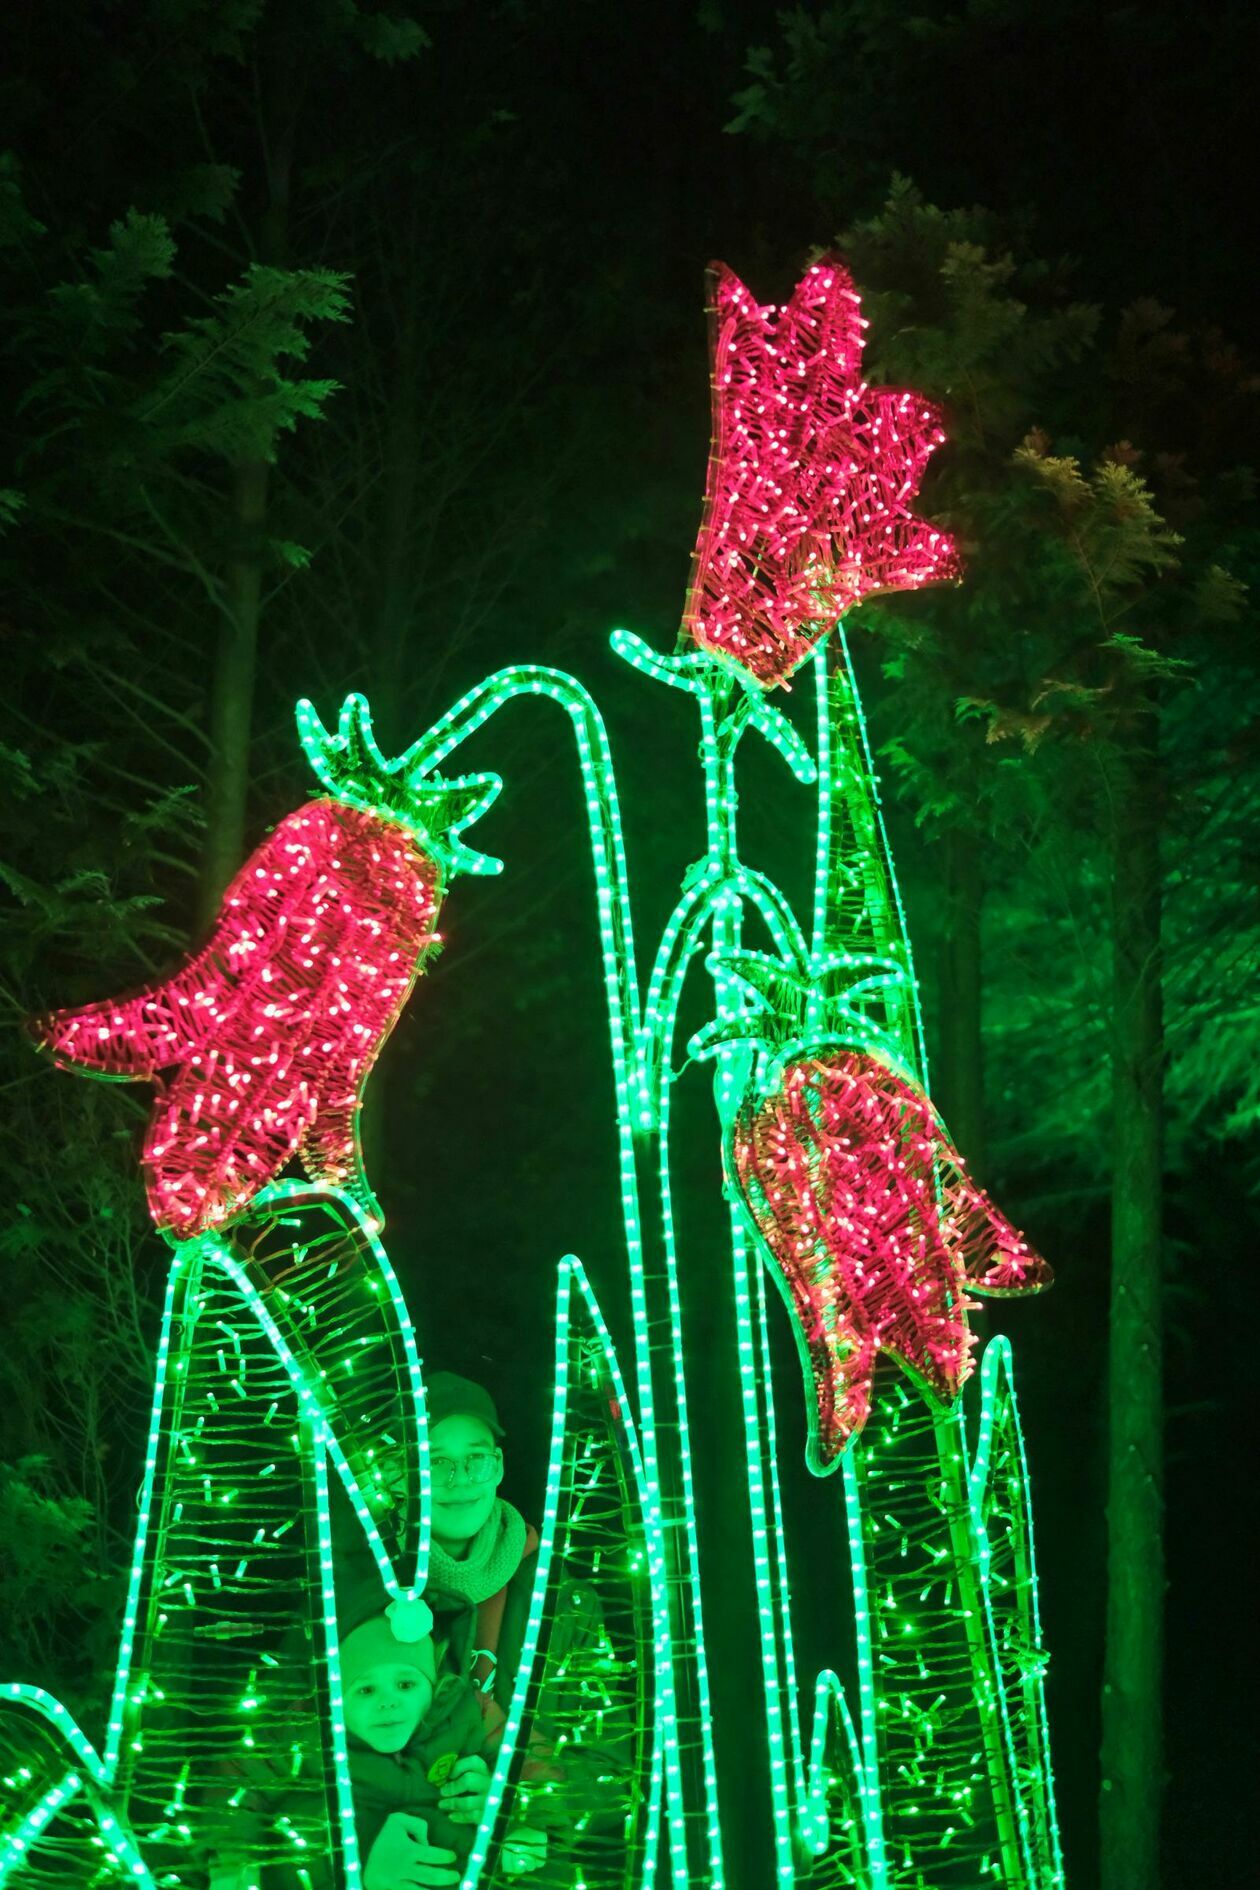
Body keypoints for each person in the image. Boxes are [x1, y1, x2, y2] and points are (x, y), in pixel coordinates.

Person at [421, 1372, 538, 1725]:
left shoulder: (555, 1595)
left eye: (477, 1459)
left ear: (498, 1467)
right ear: (399, 1470)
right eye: (436, 1463)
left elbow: (600, 1758)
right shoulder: (358, 1591)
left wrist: (510, 1780)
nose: (462, 1481)